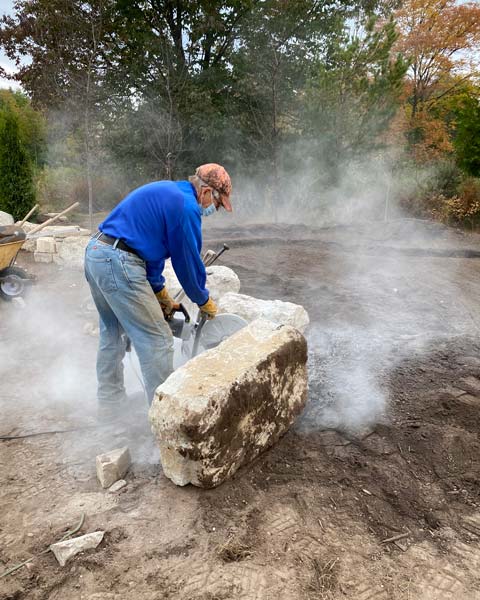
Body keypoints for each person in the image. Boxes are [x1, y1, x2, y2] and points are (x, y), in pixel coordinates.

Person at [84, 163, 233, 421]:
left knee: (113, 333)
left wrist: (160, 293)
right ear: (207, 191)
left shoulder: (171, 193)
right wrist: (203, 299)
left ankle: (110, 405)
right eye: (217, 203)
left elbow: (149, 249)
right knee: (158, 340)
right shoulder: (186, 207)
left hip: (98, 253)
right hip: (118, 261)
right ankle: (166, 420)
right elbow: (186, 261)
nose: (214, 209)